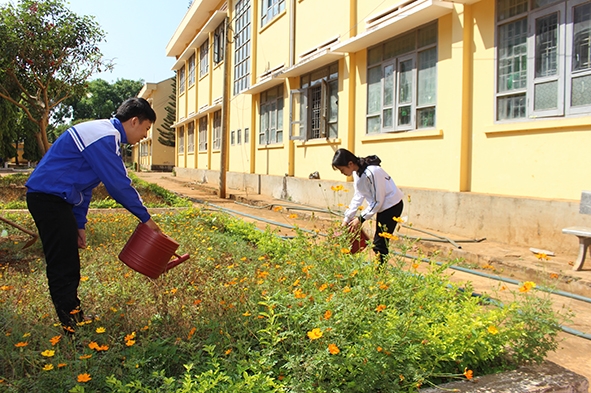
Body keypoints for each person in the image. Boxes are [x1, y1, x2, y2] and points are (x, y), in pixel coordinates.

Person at [26, 97, 161, 333]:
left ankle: (73, 316)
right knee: (63, 264)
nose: (145, 136)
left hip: (56, 199)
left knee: (68, 261)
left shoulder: (107, 136)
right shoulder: (104, 136)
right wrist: (146, 219)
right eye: (146, 129)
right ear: (134, 121)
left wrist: (79, 224)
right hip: (48, 198)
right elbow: (118, 185)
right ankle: (71, 326)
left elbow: (85, 188)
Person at [332, 148, 404, 264]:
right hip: (381, 206)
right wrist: (347, 218)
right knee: (379, 242)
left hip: (392, 206)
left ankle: (379, 274)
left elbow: (378, 201)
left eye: (342, 170)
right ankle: (378, 270)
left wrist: (360, 219)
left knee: (380, 243)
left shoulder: (372, 172)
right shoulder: (357, 174)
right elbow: (358, 195)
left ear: (350, 164)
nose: (342, 173)